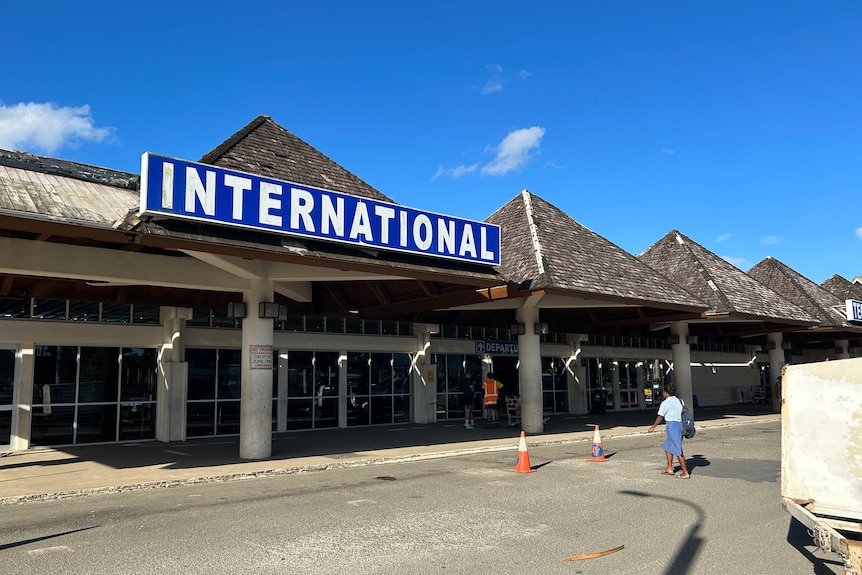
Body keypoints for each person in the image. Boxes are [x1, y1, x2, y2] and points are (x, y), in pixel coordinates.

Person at [648, 382, 691, 479]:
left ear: (666, 393)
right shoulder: (680, 401)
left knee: (677, 449)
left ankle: (685, 472)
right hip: (680, 425)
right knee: (667, 446)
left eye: (663, 392)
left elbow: (660, 417)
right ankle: (669, 467)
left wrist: (653, 427)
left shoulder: (665, 403)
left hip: (672, 426)